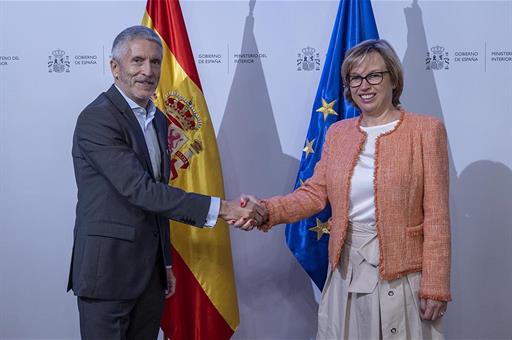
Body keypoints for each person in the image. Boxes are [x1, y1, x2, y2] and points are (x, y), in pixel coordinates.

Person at [242, 39, 451, 339]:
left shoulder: (426, 131)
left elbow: (437, 216)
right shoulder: (338, 134)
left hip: (405, 276)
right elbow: (313, 194)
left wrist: (436, 285)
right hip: (346, 272)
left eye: (374, 75)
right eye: (355, 78)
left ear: (394, 79)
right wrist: (265, 210)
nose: (364, 85)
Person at [67, 25, 265, 340]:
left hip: (150, 276)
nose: (148, 71)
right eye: (138, 61)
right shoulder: (97, 119)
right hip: (108, 273)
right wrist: (224, 208)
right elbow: (141, 190)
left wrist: (165, 263)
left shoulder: (157, 119)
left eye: (156, 62)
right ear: (115, 68)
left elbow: (155, 200)